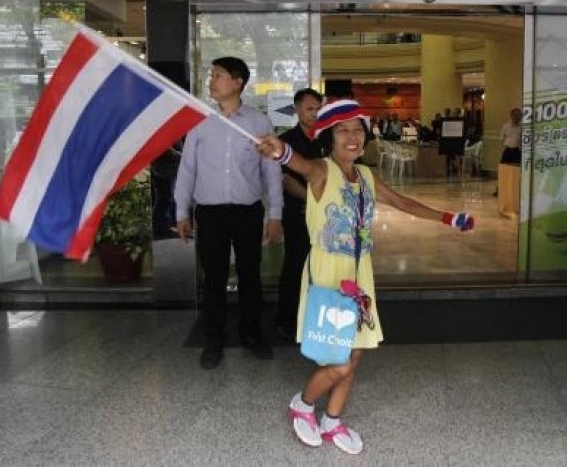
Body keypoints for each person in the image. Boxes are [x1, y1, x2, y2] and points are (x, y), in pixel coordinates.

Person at [255, 99, 474, 455]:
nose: (352, 136)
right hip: (328, 275)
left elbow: (403, 203)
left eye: (358, 129)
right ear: (329, 137)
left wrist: (448, 218)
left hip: (359, 277)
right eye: (343, 131)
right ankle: (304, 404)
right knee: (337, 360)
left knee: (354, 356)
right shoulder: (322, 171)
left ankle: (333, 420)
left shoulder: (368, 176)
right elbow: (298, 163)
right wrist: (280, 151)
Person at [174, 56, 283, 367]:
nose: (212, 81)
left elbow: (271, 172)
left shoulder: (258, 122)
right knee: (214, 279)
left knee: (251, 277)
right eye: (212, 75)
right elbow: (187, 169)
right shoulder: (199, 120)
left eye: (218, 75)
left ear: (237, 82)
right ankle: (214, 339)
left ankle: (251, 334)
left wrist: (275, 216)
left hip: (248, 213)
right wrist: (182, 211)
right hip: (210, 214)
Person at [275, 88, 324, 341]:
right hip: (298, 212)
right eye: (309, 109)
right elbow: (283, 178)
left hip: (327, 216)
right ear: (296, 110)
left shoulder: (328, 139)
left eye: (318, 109)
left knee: (322, 267)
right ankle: (288, 319)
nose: (314, 114)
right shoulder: (287, 141)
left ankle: (318, 318)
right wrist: (313, 199)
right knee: (296, 264)